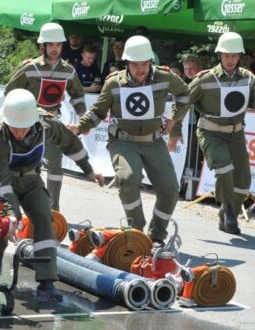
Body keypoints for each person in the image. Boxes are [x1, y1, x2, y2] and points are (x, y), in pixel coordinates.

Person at [69, 36, 188, 247]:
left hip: (153, 141)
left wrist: (174, 120)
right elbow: (98, 112)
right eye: (135, 64)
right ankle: (136, 231)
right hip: (123, 141)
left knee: (170, 189)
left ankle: (156, 235)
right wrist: (79, 127)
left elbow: (184, 94)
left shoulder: (164, 77)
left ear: (150, 61)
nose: (140, 69)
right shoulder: (114, 82)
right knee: (128, 178)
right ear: (127, 62)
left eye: (144, 64)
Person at [0, 89, 103, 302]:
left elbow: (71, 144)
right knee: (4, 223)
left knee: (44, 217)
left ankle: (47, 280)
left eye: (23, 128)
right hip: (5, 181)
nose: (19, 133)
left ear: (33, 121)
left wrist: (89, 170)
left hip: (32, 179)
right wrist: (11, 213)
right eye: (14, 128)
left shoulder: (47, 125)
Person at [167, 32, 255, 235]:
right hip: (210, 133)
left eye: (234, 55)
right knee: (224, 167)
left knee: (243, 182)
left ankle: (225, 212)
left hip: (236, 135)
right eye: (226, 55)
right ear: (219, 55)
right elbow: (183, 102)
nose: (230, 60)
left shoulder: (249, 78)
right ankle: (231, 212)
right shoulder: (205, 79)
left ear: (239, 56)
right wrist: (175, 130)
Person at [5, 22, 87, 212]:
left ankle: (52, 212)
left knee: (55, 167)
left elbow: (77, 95)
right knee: (23, 167)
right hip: (27, 124)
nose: (54, 49)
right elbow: (9, 92)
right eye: (51, 44)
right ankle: (15, 208)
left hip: (52, 124)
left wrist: (83, 115)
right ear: (43, 45)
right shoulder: (29, 67)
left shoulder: (68, 71)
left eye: (58, 45)